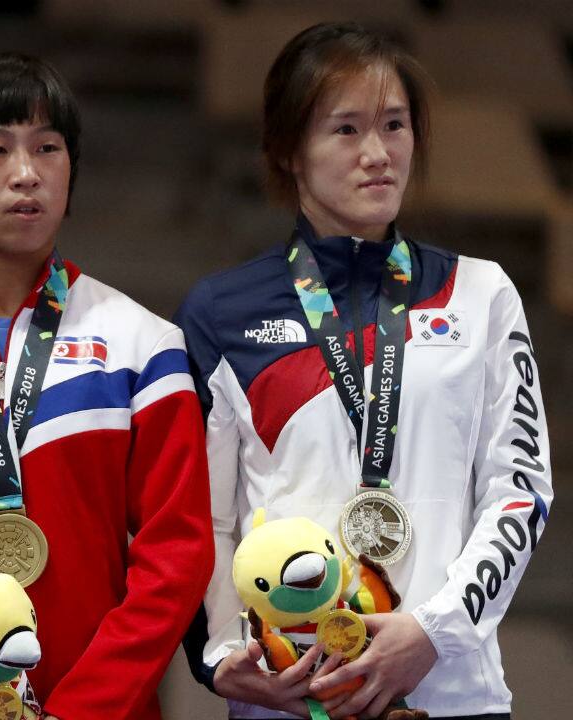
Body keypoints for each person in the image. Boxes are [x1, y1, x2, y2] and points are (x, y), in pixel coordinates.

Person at [177, 21, 553, 720]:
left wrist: (433, 633)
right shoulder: (220, 312)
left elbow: (520, 492)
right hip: (290, 697)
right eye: (345, 130)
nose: (377, 154)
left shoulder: (482, 293)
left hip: (452, 694)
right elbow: (204, 516)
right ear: (289, 150)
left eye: (395, 125)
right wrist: (224, 654)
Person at [0, 52, 215, 720]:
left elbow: (176, 557)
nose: (27, 173)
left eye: (48, 148)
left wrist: (84, 709)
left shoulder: (144, 345)